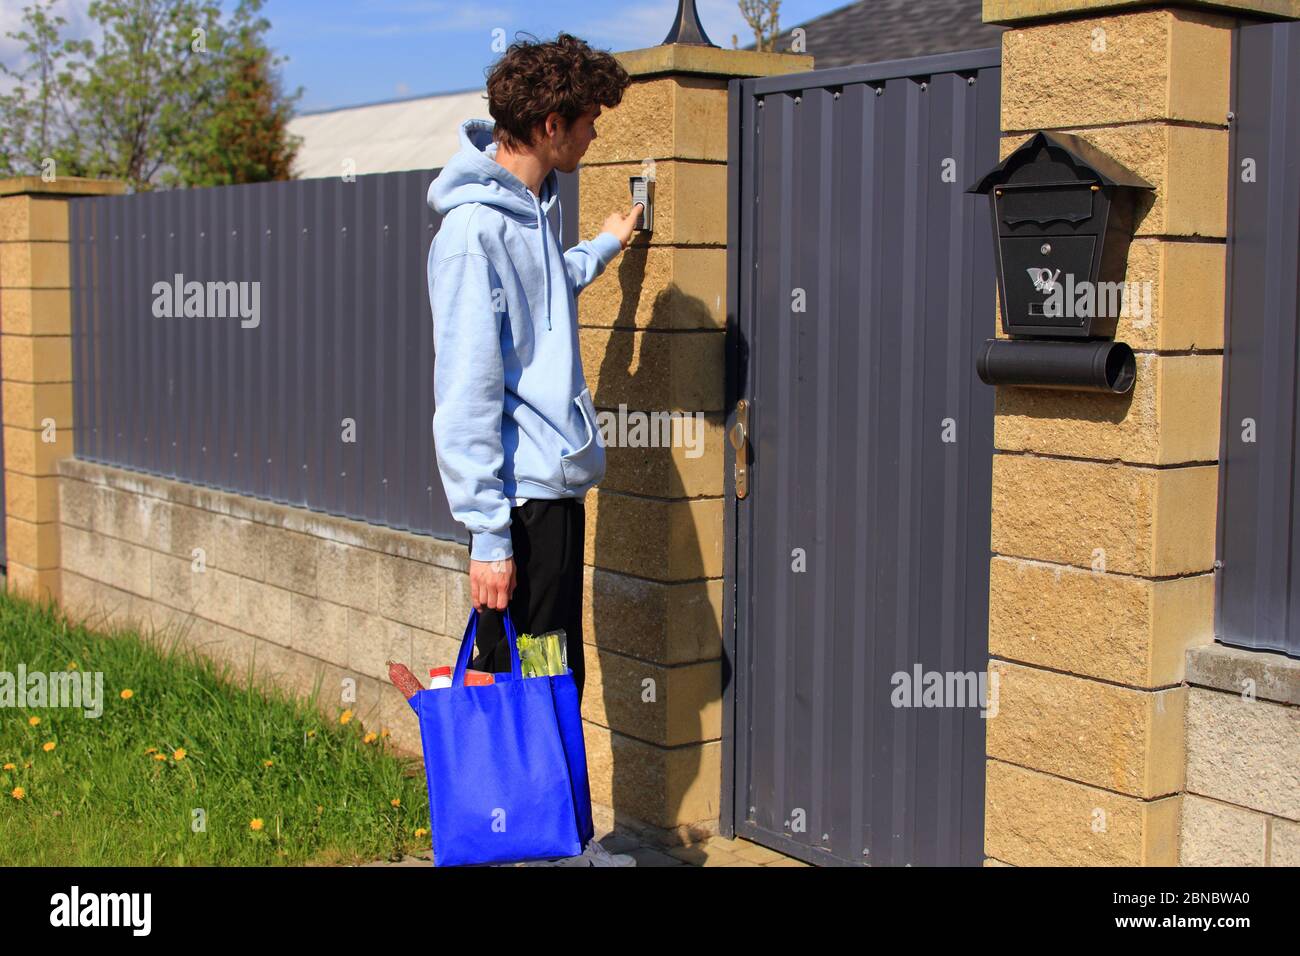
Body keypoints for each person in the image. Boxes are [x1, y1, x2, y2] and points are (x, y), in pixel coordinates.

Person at [426, 33, 642, 867]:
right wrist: (487, 536)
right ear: (551, 124)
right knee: (530, 678)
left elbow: (544, 291)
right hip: (520, 509)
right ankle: (540, 847)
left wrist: (607, 244)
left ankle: (553, 840)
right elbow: (466, 396)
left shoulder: (527, 212)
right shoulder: (473, 233)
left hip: (548, 495)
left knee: (548, 673)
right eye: (587, 121)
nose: (594, 134)